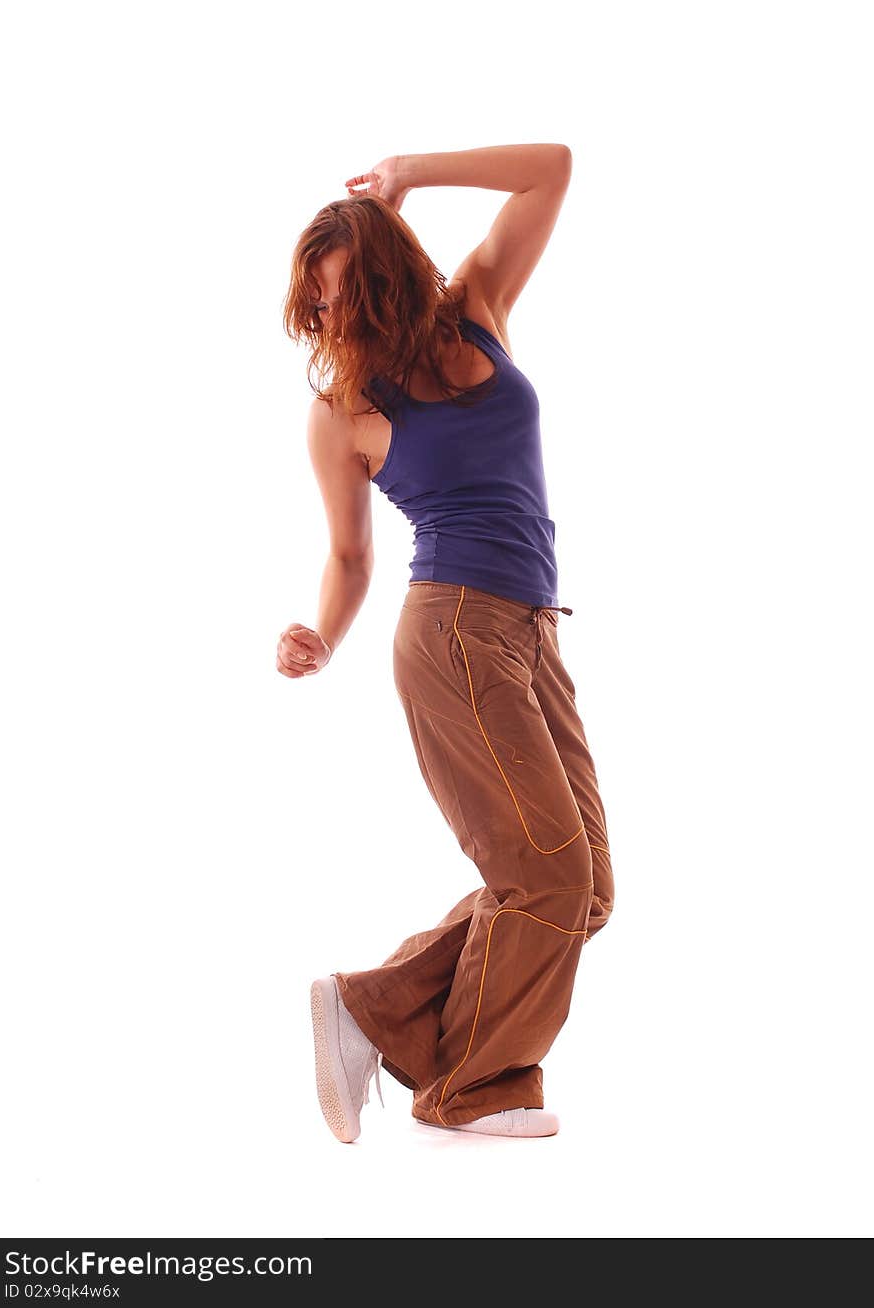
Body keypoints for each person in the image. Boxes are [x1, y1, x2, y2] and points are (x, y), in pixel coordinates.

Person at [279, 144, 614, 1142]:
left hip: (529, 633)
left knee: (582, 888)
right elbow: (348, 557)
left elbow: (550, 168)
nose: (327, 320)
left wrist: (410, 172)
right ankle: (470, 1088)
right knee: (546, 878)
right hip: (453, 635)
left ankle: (372, 1007)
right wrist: (322, 637)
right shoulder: (346, 413)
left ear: (386, 280)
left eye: (341, 296)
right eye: (316, 305)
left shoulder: (477, 306)